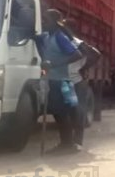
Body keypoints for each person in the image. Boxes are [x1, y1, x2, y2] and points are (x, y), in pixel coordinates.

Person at [35, 9, 84, 154]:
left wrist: (55, 64)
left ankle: (67, 144)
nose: (44, 23)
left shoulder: (60, 37)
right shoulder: (47, 36)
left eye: (46, 20)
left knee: (62, 113)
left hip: (61, 81)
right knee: (58, 113)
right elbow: (37, 40)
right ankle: (67, 143)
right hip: (52, 80)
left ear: (55, 23)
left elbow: (77, 54)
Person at [61, 19, 101, 142]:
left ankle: (78, 141)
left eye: (63, 27)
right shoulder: (65, 41)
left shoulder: (76, 42)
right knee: (69, 110)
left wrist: (83, 68)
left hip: (77, 82)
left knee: (78, 111)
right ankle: (70, 141)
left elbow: (96, 54)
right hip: (68, 81)